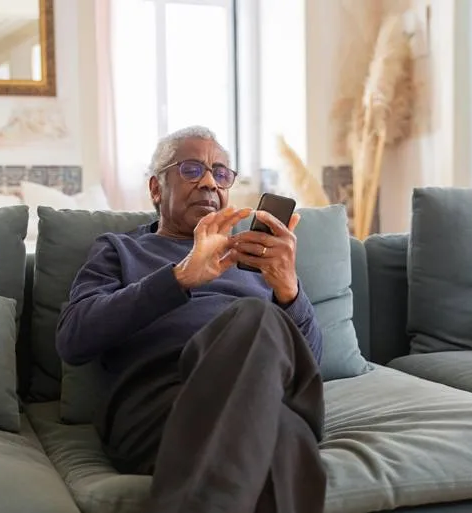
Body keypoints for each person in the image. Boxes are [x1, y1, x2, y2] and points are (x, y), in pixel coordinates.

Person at [56, 126, 326, 513]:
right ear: (155, 188)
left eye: (220, 173)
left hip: (268, 397)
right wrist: (179, 277)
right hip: (160, 405)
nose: (208, 183)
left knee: (258, 321)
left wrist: (289, 290)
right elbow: (73, 339)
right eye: (190, 169)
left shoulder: (255, 259)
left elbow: (311, 367)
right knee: (286, 438)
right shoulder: (119, 250)